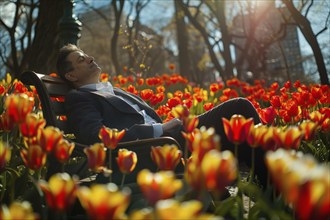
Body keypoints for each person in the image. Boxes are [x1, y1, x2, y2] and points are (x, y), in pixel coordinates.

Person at [57, 44, 267, 187]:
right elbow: (96, 135)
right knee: (238, 110)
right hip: (152, 148)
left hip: (172, 136)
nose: (90, 58)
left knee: (240, 116)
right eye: (82, 60)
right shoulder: (80, 98)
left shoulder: (113, 90)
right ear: (71, 75)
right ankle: (274, 187)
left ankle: (269, 185)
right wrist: (160, 129)